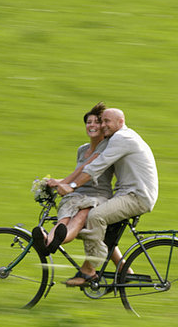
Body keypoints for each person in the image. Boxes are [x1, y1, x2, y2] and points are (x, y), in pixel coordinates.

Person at [56, 108, 158, 286]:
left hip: (136, 196)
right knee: (104, 230)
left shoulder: (121, 138)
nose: (103, 125)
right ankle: (123, 271)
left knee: (95, 216)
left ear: (120, 122)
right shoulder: (119, 137)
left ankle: (89, 270)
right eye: (101, 121)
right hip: (129, 193)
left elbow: (96, 167)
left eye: (106, 122)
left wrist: (71, 186)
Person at [31, 103, 126, 268]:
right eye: (89, 122)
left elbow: (85, 169)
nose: (92, 125)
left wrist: (66, 183)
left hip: (97, 195)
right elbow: (79, 175)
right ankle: (48, 240)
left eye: (97, 122)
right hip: (78, 192)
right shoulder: (82, 150)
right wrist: (55, 182)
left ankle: (58, 240)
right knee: (65, 215)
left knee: (82, 215)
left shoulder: (107, 146)